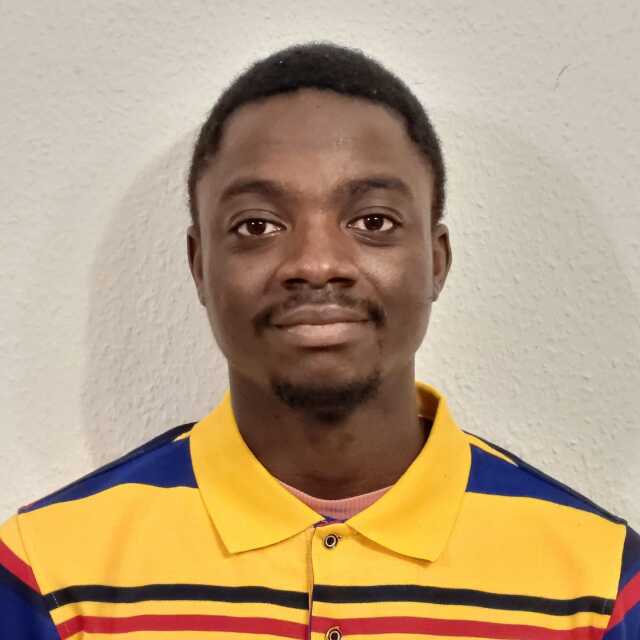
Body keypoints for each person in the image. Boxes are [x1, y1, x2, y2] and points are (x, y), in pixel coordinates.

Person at [1, 42, 638, 640]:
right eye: (257, 225)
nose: (316, 263)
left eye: (373, 221)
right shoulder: (49, 574)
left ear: (436, 261)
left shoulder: (600, 585)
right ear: (199, 266)